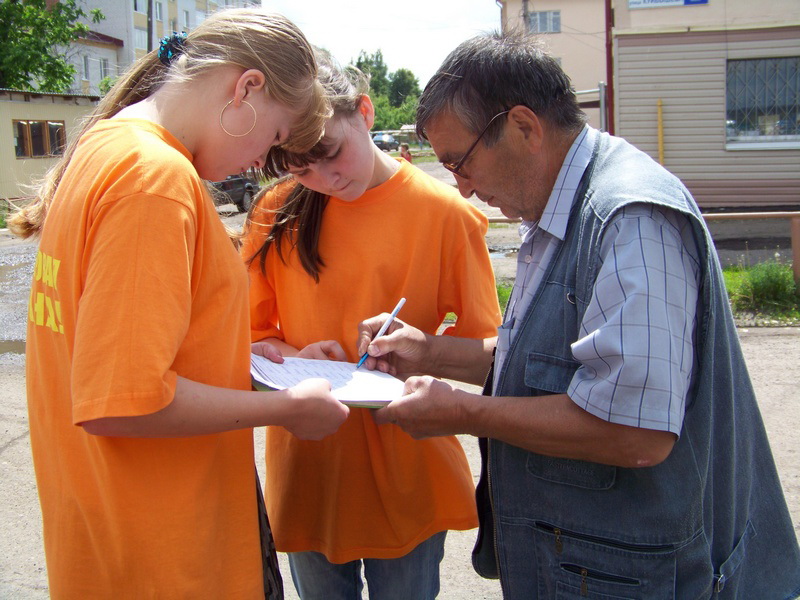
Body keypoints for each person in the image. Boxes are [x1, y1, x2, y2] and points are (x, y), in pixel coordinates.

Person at [357, 31, 800, 599]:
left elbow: (635, 432)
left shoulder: (630, 219)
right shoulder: (560, 206)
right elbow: (561, 361)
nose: (462, 189)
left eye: (459, 163)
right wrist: (429, 351)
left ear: (523, 126)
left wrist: (465, 413)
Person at [8, 10, 351, 599]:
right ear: (246, 88)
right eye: (273, 137)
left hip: (114, 540)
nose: (261, 163)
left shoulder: (107, 146)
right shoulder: (155, 180)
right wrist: (289, 408)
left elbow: (122, 347)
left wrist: (252, 358)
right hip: (169, 556)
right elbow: (124, 401)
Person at [240, 50, 501, 600]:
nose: (324, 178)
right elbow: (246, 340)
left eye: (331, 154)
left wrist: (426, 349)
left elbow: (490, 348)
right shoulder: (276, 211)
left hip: (406, 456)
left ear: (364, 111)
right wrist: (297, 353)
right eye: (299, 166)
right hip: (312, 459)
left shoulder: (446, 214)